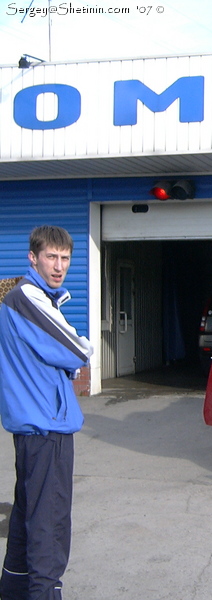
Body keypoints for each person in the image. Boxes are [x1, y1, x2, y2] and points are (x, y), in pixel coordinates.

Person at [0, 226, 94, 599]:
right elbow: (75, 349)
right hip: (45, 427)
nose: (59, 266)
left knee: (26, 521)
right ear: (33, 258)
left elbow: (54, 354)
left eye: (65, 258)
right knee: (49, 527)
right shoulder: (28, 297)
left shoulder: (29, 299)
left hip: (33, 428)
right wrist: (76, 354)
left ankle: (12, 590)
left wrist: (65, 362)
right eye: (51, 257)